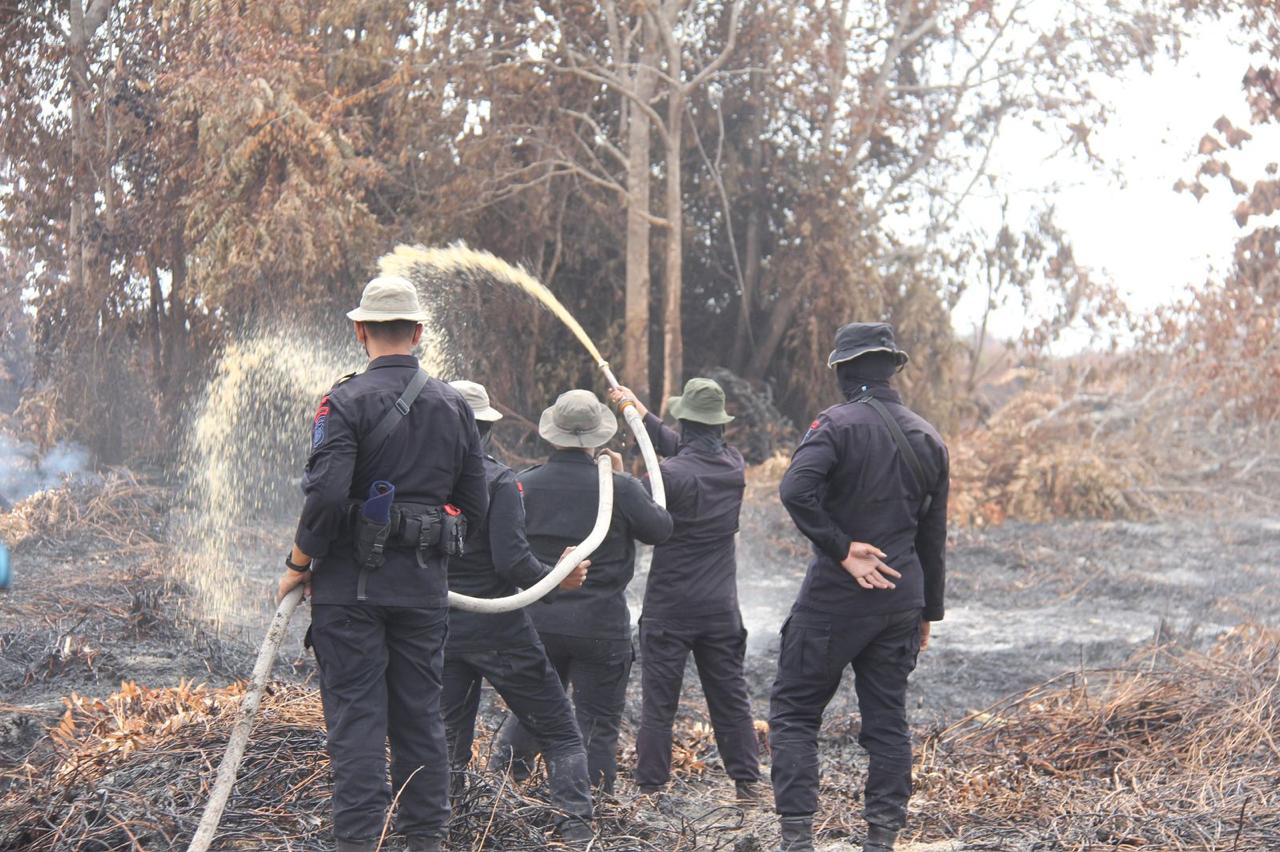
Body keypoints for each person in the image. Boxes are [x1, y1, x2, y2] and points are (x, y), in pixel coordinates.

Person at [275, 276, 489, 852]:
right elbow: (476, 506)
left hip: (351, 593)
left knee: (358, 724)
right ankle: (426, 841)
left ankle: (359, 843)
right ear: (419, 333)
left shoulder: (343, 401)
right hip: (424, 592)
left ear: (360, 331)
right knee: (421, 721)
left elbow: (323, 499)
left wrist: (298, 563)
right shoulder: (454, 406)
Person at [768, 323, 949, 852]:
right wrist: (927, 613)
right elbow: (933, 537)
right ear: (893, 369)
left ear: (843, 371)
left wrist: (843, 550)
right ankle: (881, 841)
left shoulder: (834, 425)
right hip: (900, 601)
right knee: (887, 722)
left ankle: (797, 839)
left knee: (795, 713)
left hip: (833, 600)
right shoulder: (929, 436)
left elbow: (795, 489)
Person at [492, 389, 673, 793]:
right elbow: (661, 529)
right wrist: (624, 482)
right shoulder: (620, 489)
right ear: (598, 438)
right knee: (597, 725)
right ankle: (596, 810)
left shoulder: (522, 485)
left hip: (537, 621)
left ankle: (500, 788)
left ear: (552, 435)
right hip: (600, 627)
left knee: (534, 711)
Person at [440, 380, 594, 842]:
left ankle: (446, 833)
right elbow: (512, 561)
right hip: (500, 630)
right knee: (561, 733)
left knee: (449, 743)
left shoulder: (421, 480)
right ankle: (577, 834)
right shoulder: (499, 481)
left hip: (441, 628)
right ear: (485, 429)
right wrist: (559, 576)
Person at [607, 378, 761, 800]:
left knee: (659, 705)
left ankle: (652, 787)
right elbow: (683, 448)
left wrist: (621, 479)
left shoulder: (668, 477)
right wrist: (635, 410)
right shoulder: (734, 465)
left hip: (670, 608)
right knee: (730, 698)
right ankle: (747, 782)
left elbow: (641, 503)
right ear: (720, 425)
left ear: (685, 420)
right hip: (720, 609)